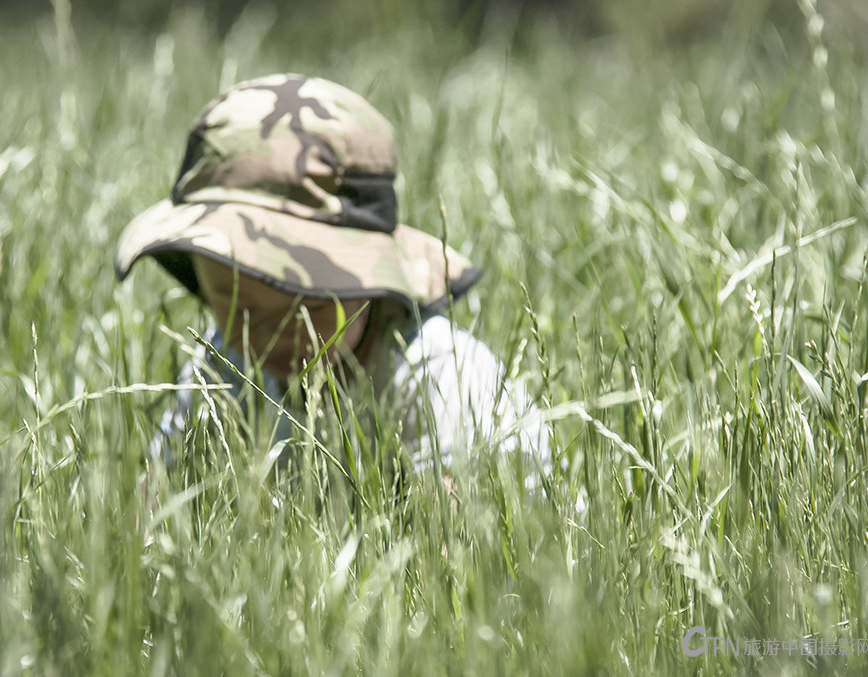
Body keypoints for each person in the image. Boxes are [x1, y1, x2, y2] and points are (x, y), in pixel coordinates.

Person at [114, 73, 550, 487]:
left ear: (367, 280)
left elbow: (458, 553)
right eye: (237, 305)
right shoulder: (226, 364)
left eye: (308, 307)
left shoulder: (435, 377)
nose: (270, 334)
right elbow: (160, 506)